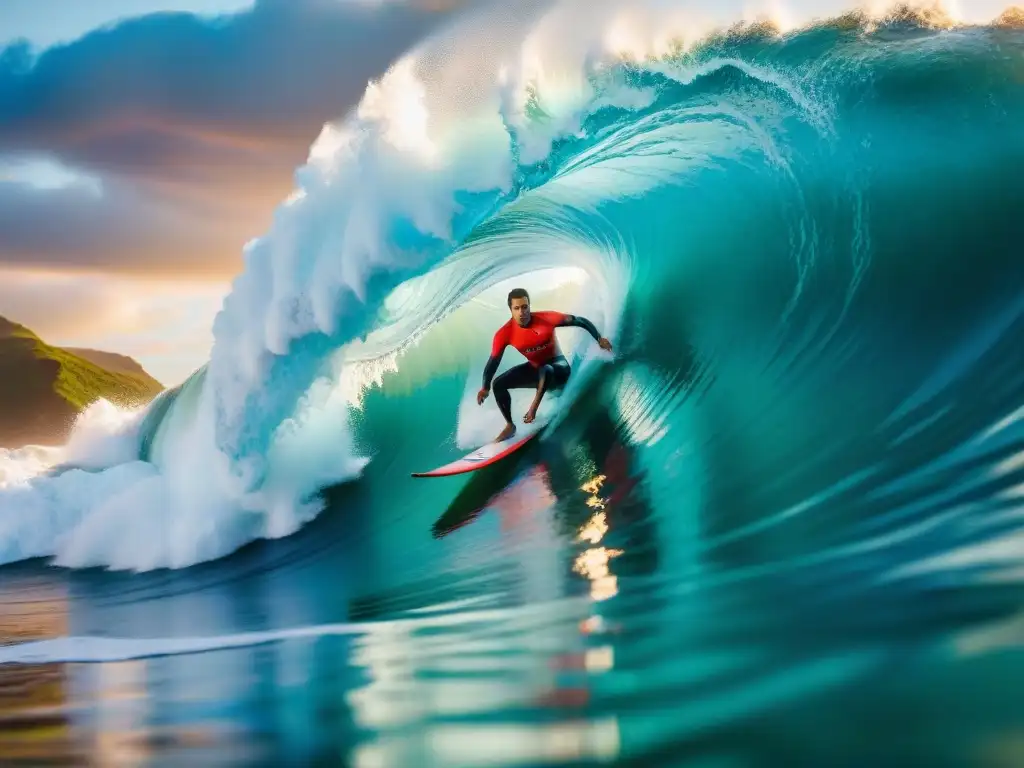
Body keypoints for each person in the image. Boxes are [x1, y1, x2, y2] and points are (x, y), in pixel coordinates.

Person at [477, 287, 613, 442]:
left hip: (559, 369)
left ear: (529, 306)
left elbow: (579, 320)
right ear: (511, 310)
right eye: (517, 308)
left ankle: (533, 409)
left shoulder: (546, 318)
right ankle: (510, 426)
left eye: (524, 307)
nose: (522, 312)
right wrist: (485, 387)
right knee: (498, 383)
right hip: (536, 370)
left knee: (546, 369)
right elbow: (493, 362)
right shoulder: (505, 334)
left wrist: (599, 338)